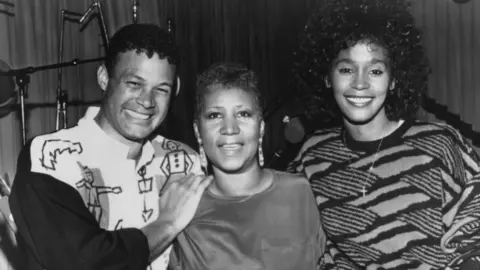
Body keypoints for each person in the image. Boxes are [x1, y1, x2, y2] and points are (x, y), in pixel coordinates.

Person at [288, 0, 480, 268]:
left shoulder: (438, 145)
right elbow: (275, 213)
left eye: (375, 70)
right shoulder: (313, 155)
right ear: (327, 76)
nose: (360, 82)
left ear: (394, 80)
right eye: (346, 69)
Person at [9, 23, 212, 270]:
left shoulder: (183, 160)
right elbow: (83, 263)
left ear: (175, 90)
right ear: (104, 78)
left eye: (161, 89)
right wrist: (167, 224)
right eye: (134, 84)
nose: (147, 101)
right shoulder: (50, 158)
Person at [169, 62, 324, 270]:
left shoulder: (305, 193)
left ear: (261, 128)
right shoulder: (183, 205)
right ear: (198, 132)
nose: (230, 128)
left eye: (243, 114)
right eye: (215, 115)